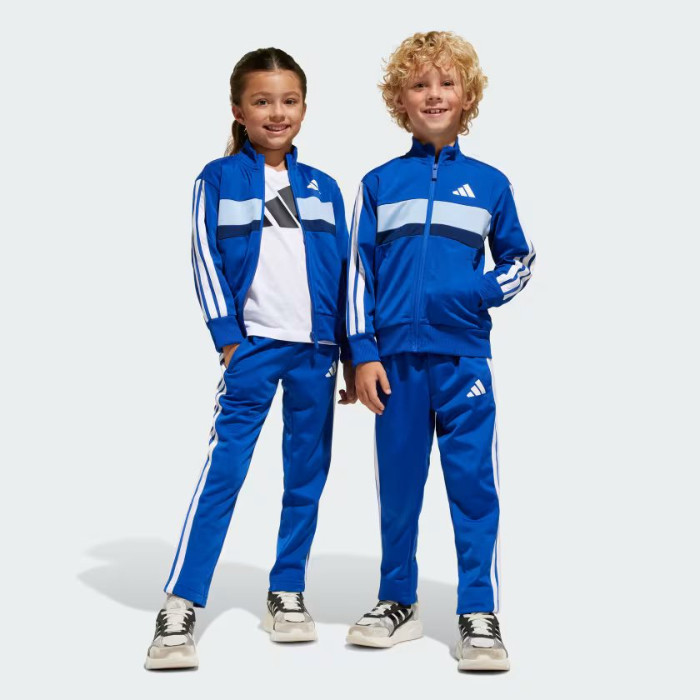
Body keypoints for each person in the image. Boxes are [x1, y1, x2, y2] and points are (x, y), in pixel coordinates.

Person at [145, 47, 355, 670]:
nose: (276, 112)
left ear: (305, 108)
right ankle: (181, 601)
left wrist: (351, 352)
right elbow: (203, 255)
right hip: (253, 348)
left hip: (316, 352)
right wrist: (228, 337)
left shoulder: (324, 187)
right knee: (225, 471)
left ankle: (287, 591)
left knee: (307, 474)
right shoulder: (218, 178)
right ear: (239, 111)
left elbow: (347, 273)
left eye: (289, 101)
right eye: (262, 101)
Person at [345, 31, 535, 672]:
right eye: (419, 84)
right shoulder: (378, 184)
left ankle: (478, 612)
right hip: (394, 364)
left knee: (473, 487)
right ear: (400, 99)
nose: (433, 95)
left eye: (446, 83)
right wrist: (363, 352)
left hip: (464, 361)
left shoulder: (490, 184)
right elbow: (357, 275)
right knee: (398, 487)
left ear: (467, 96)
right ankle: (397, 600)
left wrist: (475, 293)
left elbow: (520, 260)